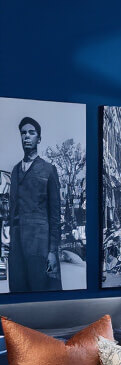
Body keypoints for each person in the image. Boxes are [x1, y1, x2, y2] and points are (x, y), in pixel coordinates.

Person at [8, 116, 62, 292]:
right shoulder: (15, 170)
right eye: (23, 133)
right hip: (17, 248)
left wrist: (52, 251)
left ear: (39, 139)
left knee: (42, 294)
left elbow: (55, 215)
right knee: (19, 295)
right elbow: (12, 210)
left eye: (31, 133)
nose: (26, 136)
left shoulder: (48, 170)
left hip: (40, 246)